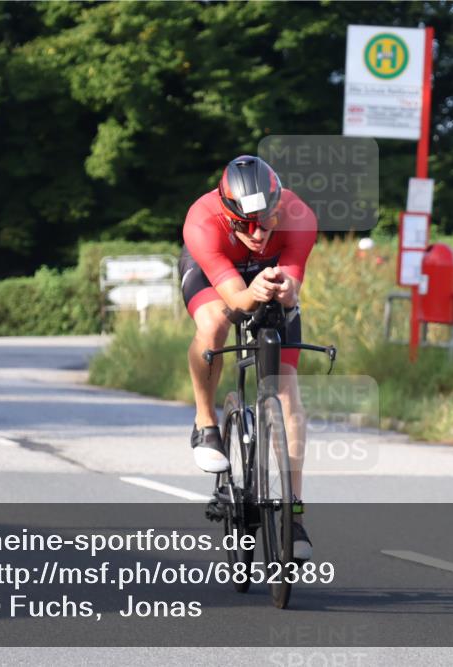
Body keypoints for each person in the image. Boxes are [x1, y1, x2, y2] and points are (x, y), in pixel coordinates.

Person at [179, 155, 317, 559]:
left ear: (280, 207)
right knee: (214, 324)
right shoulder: (202, 222)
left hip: (269, 274)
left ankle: (293, 515)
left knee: (288, 397)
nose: (257, 233)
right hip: (215, 273)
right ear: (227, 213)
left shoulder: (298, 216)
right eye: (244, 223)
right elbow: (237, 299)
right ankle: (205, 422)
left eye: (267, 220)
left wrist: (284, 290)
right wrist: (251, 293)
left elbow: (292, 288)